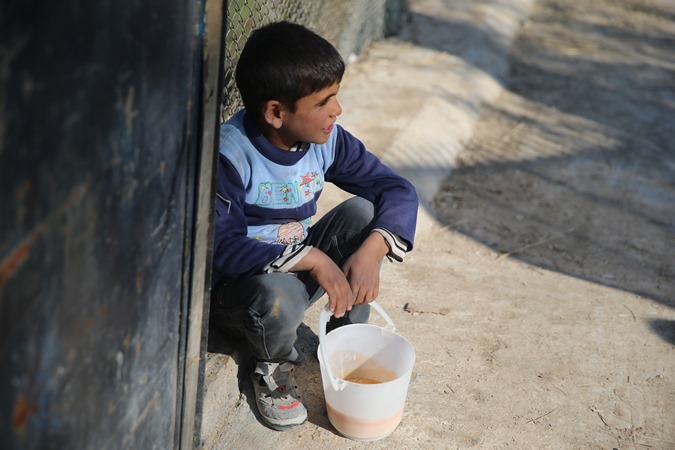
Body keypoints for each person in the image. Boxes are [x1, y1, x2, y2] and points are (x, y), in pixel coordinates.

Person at [210, 21, 418, 431]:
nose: (337, 110)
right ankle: (271, 367)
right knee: (280, 295)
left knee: (362, 216)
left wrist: (372, 250)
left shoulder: (326, 140)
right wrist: (313, 258)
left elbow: (395, 189)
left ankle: (344, 343)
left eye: (335, 96)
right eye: (324, 102)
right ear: (276, 113)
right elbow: (219, 247)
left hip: (298, 270)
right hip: (244, 295)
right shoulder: (230, 156)